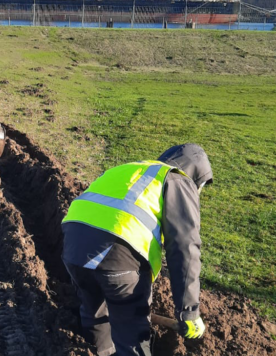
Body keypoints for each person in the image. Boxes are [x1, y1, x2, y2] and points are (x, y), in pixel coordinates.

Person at [62, 143, 213, 356]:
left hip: (74, 249)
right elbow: (184, 247)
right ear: (196, 176)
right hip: (116, 255)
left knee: (95, 315)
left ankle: (100, 351)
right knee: (131, 333)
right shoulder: (178, 179)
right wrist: (188, 312)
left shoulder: (131, 169)